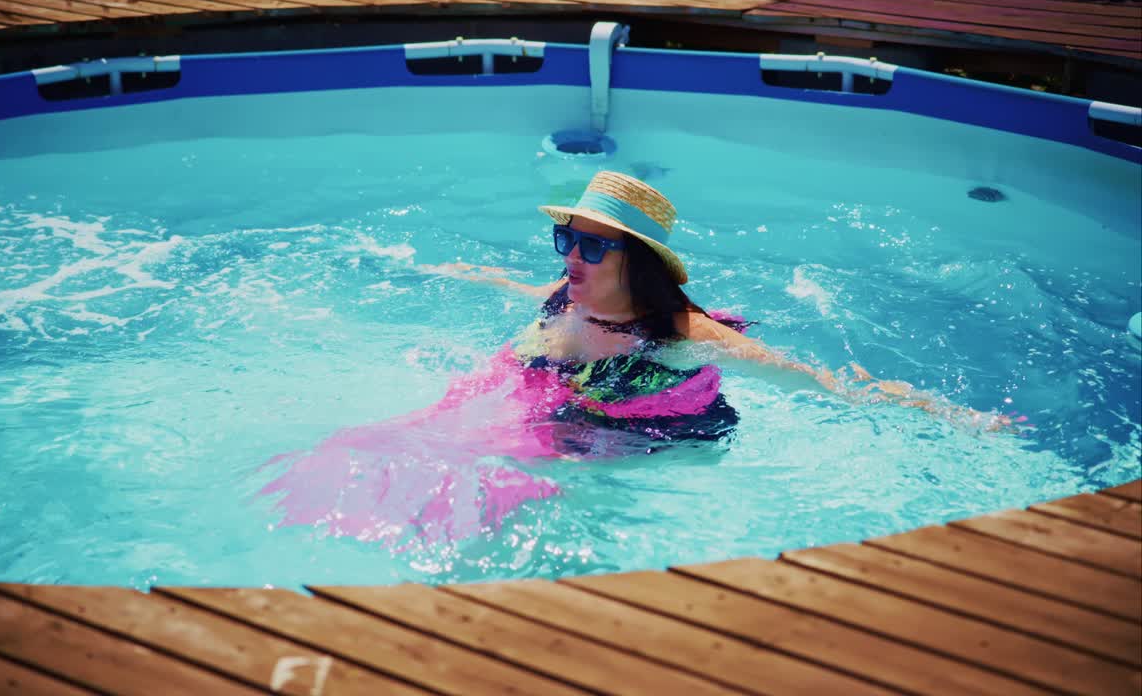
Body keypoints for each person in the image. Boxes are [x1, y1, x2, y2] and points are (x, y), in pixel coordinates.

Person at [259, 171, 1013, 545]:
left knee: (504, 499)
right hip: (566, 414)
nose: (572, 258)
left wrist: (946, 416)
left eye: (592, 244)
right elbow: (533, 287)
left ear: (638, 262)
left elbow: (818, 382)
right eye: (567, 239)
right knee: (380, 447)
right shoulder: (568, 291)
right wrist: (461, 274)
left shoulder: (685, 336)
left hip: (648, 440)